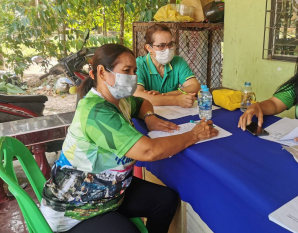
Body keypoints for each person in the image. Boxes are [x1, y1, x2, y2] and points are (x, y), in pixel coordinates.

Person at [40, 44, 218, 233]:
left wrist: (149, 118)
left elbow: (143, 102)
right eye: (126, 70)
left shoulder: (120, 100)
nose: (133, 77)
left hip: (110, 192)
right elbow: (149, 151)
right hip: (77, 208)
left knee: (165, 200)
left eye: (134, 71)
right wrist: (195, 134)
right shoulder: (96, 111)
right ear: (101, 72)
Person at [134, 24, 201, 108]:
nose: (167, 49)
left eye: (170, 44)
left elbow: (195, 86)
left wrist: (167, 95)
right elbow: (137, 94)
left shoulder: (178, 61)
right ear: (149, 48)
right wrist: (176, 100)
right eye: (161, 46)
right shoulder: (138, 64)